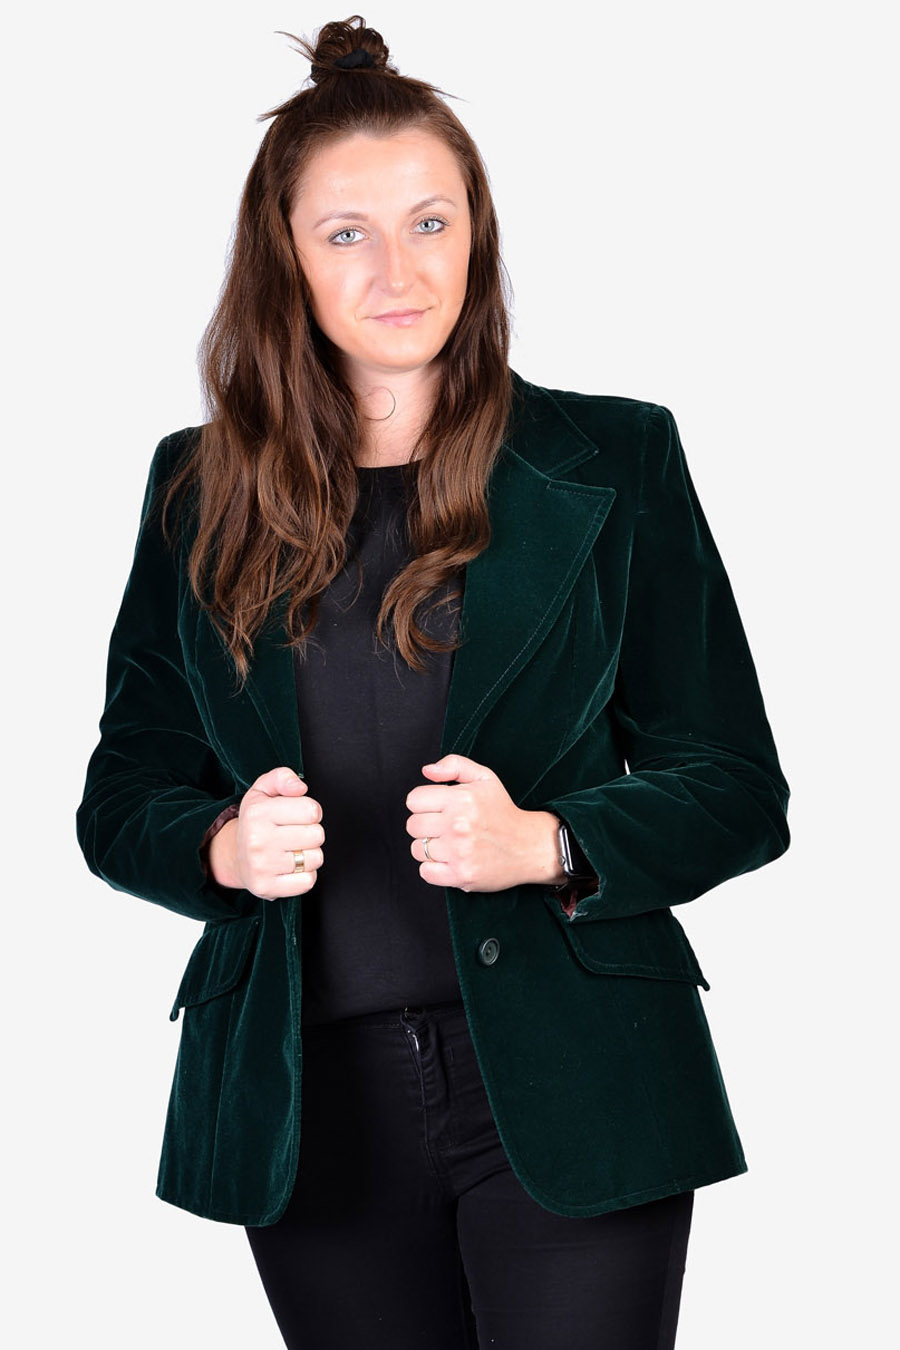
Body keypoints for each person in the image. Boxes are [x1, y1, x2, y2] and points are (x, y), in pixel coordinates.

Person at [76, 15, 790, 1349]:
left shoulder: (616, 458)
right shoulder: (198, 491)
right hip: (309, 1103)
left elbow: (737, 785)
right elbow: (124, 794)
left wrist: (554, 841)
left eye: (430, 223)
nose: (397, 269)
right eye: (347, 232)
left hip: (579, 1078)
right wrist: (219, 847)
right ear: (285, 256)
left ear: (477, 237)